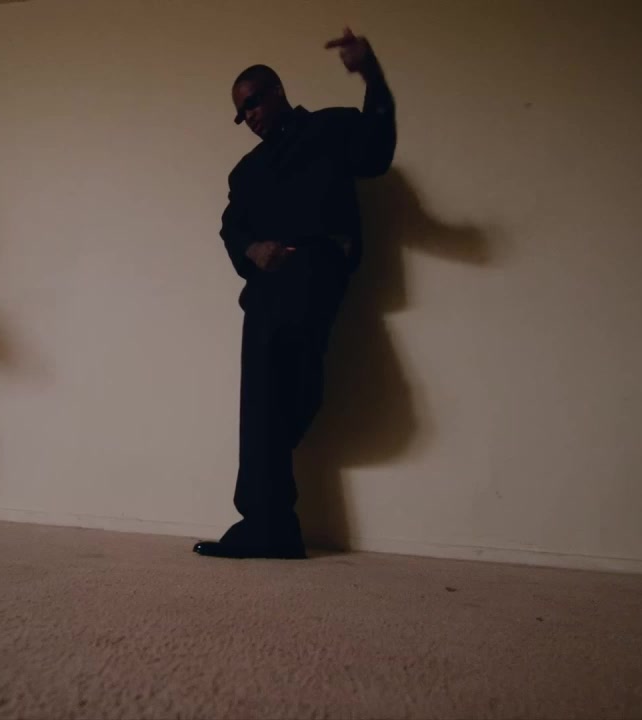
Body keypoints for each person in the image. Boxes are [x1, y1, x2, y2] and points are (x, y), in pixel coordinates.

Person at [194, 28, 397, 559]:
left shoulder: (328, 128)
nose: (250, 116)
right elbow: (230, 228)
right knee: (261, 399)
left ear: (278, 91)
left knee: (294, 394)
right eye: (241, 113)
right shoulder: (246, 172)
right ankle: (268, 524)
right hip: (266, 290)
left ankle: (269, 521)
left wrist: (371, 74)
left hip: (315, 271)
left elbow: (376, 153)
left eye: (254, 103)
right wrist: (252, 249)